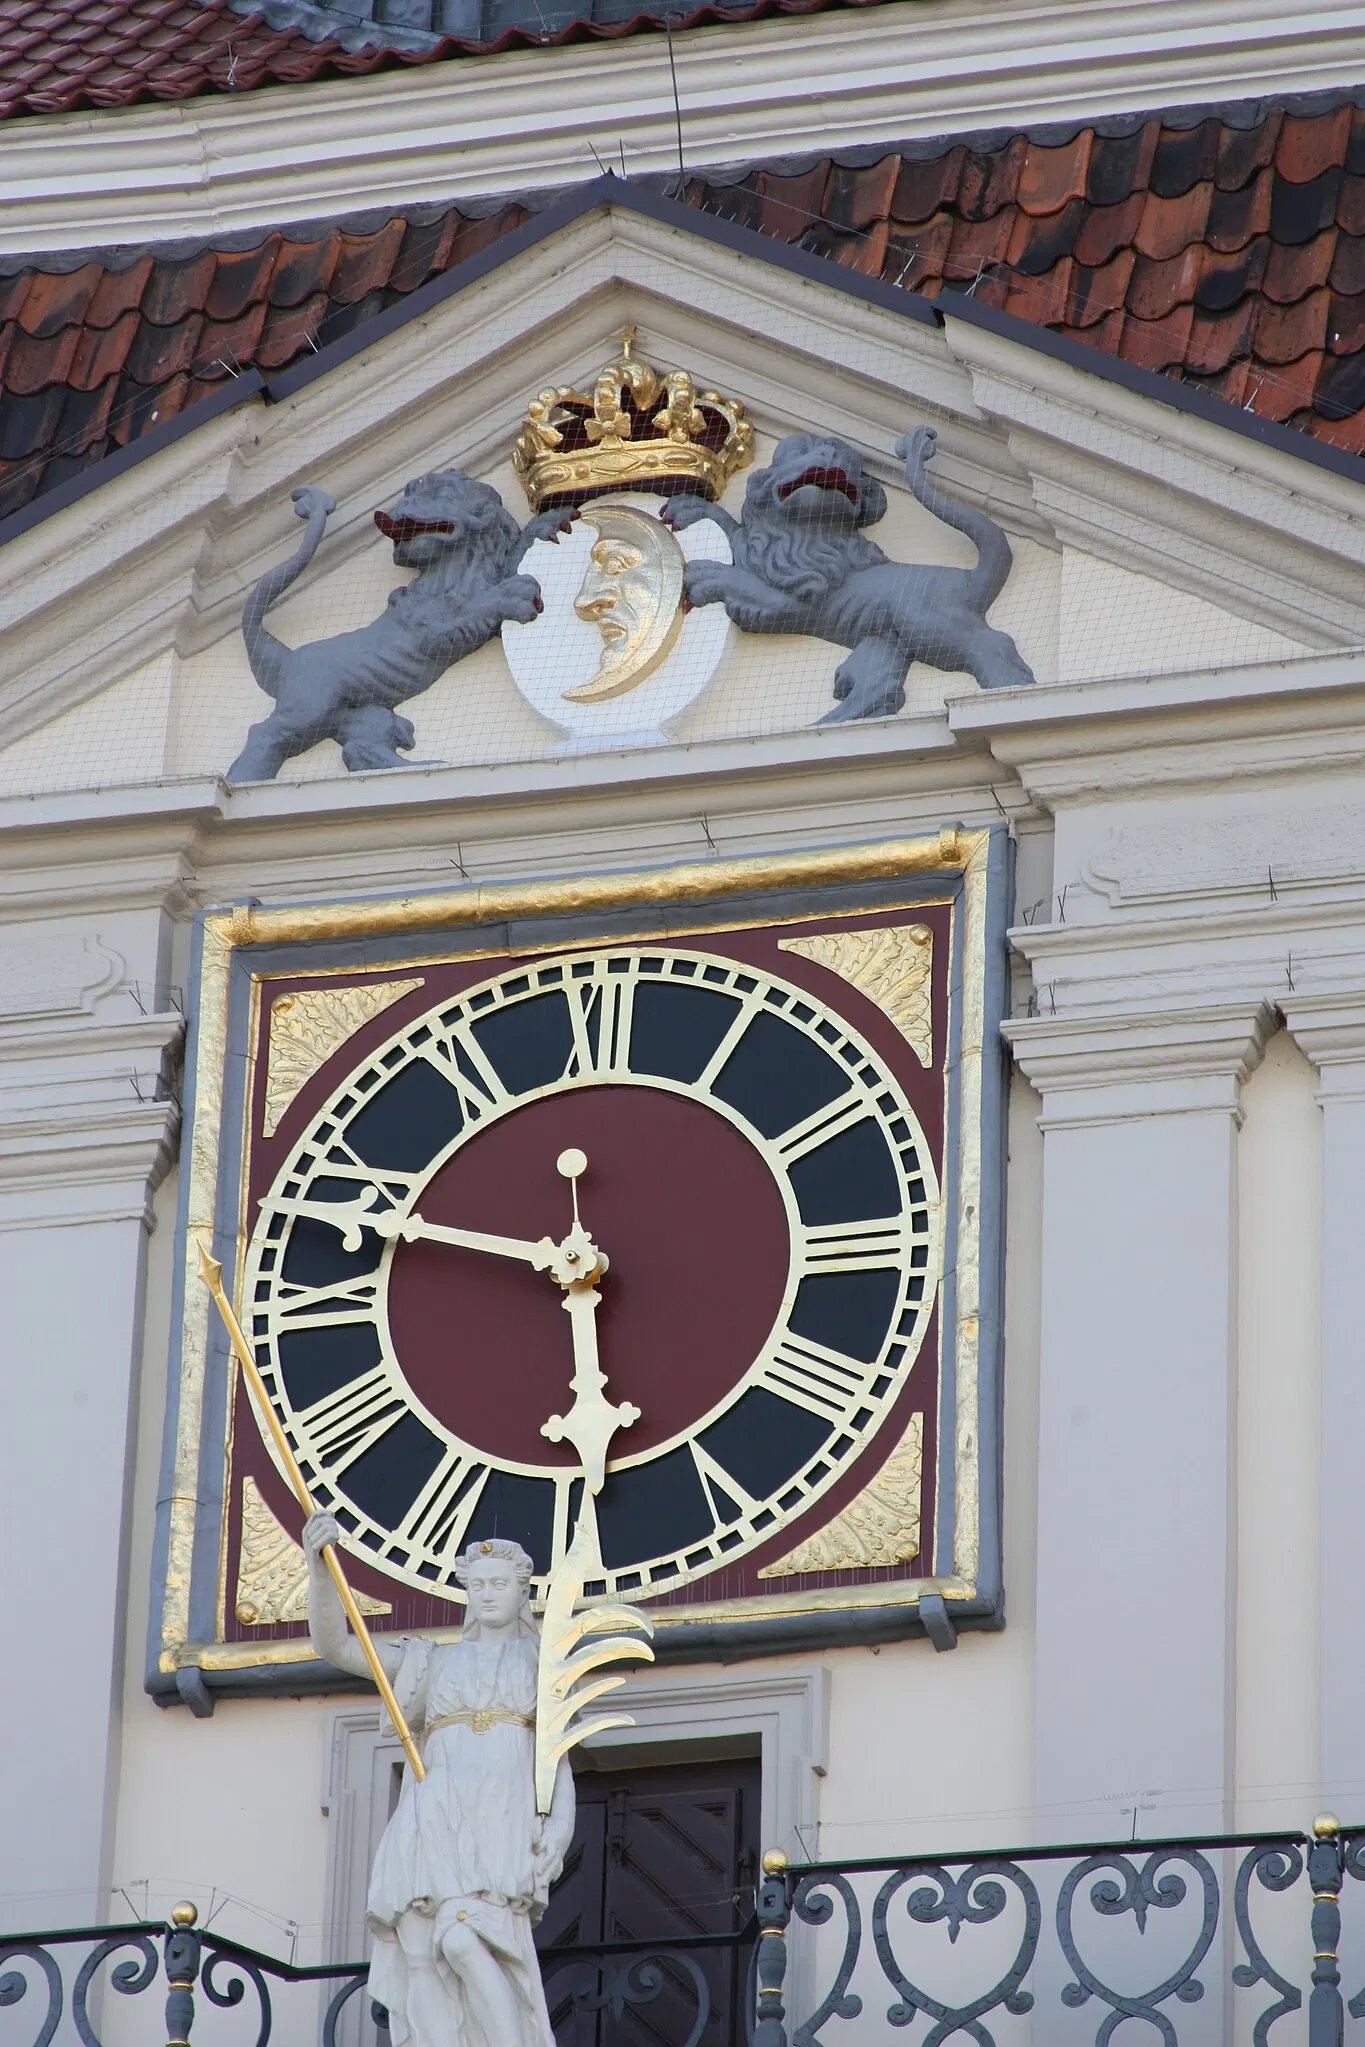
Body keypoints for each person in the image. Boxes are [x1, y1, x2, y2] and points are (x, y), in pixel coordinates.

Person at [303, 1515, 575, 2047]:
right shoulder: (431, 1661)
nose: (487, 1594)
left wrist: (559, 1832)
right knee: (421, 1946)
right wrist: (319, 1570)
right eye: (477, 1585)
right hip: (431, 1811)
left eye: (499, 1584)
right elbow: (336, 1647)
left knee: (465, 1936)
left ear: (523, 1592)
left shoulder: (542, 1661)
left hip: (500, 1812)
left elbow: (557, 1757)